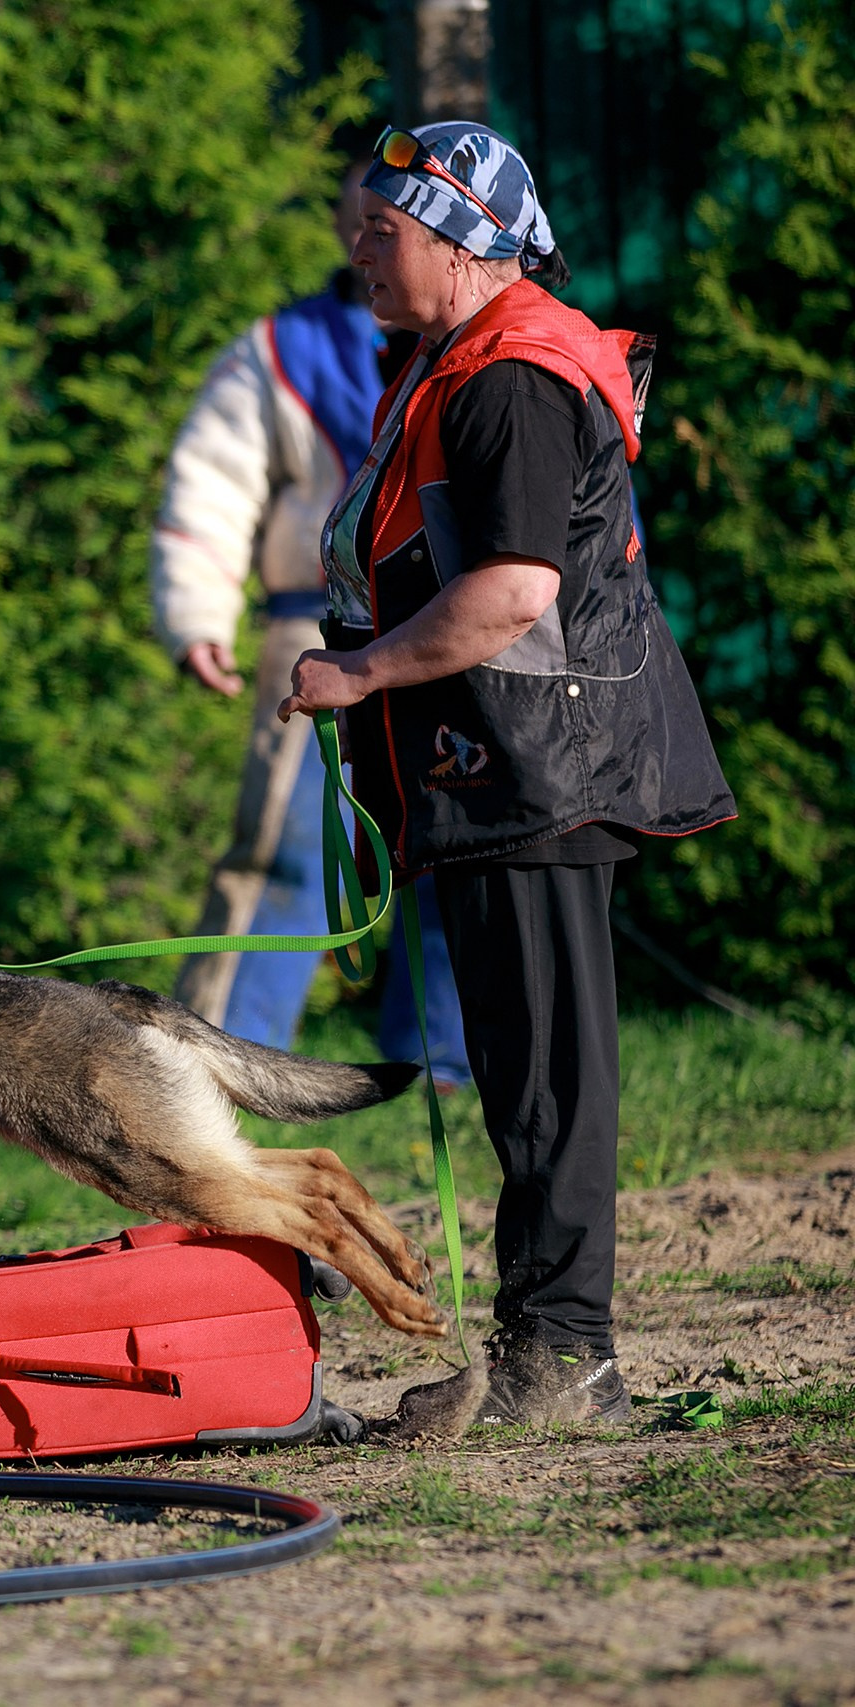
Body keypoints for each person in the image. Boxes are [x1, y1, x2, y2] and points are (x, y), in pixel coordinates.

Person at [281, 123, 735, 1426]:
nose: (357, 250)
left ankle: (564, 1357)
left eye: (384, 231)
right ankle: (544, 1345)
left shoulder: (514, 379)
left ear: (465, 243)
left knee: (546, 1078)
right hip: (494, 778)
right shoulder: (450, 361)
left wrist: (360, 677)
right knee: (522, 1072)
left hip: (544, 774)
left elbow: (514, 591)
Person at [152, 163, 469, 1086]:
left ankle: (445, 1065)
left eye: (396, 218)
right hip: (314, 640)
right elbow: (212, 481)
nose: (374, 233)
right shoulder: (283, 347)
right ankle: (215, 1068)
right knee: (284, 860)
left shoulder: (487, 345)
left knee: (461, 852)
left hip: (458, 637)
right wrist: (196, 611)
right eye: (364, 214)